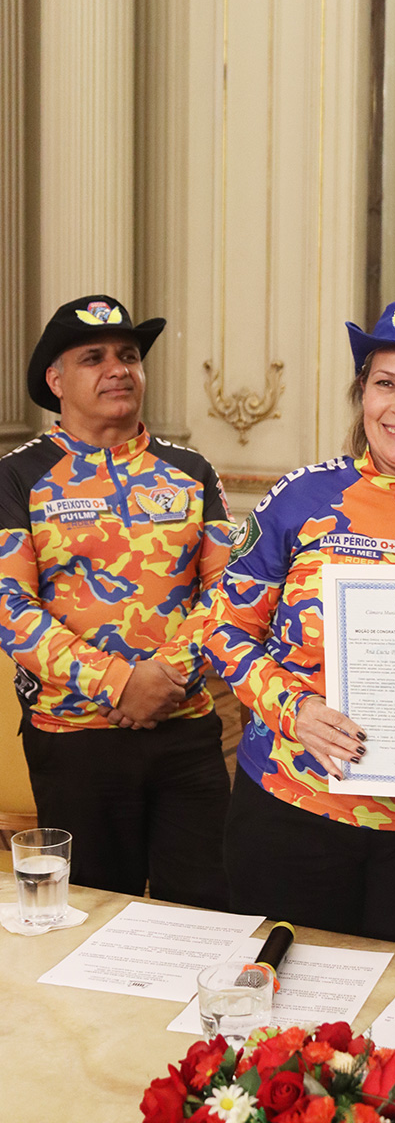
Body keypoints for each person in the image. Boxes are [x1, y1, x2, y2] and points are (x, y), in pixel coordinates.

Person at [204, 300, 395, 949]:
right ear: (362, 392)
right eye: (385, 383)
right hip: (290, 811)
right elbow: (223, 627)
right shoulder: (301, 498)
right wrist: (295, 709)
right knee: (279, 1027)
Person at [0, 296, 234, 907]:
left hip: (186, 730)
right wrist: (118, 683)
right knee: (91, 917)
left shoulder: (191, 470)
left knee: (205, 912)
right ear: (56, 380)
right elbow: (10, 606)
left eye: (129, 356)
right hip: (75, 737)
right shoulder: (17, 476)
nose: (119, 368)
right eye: (94, 357)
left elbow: (228, 592)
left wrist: (167, 678)